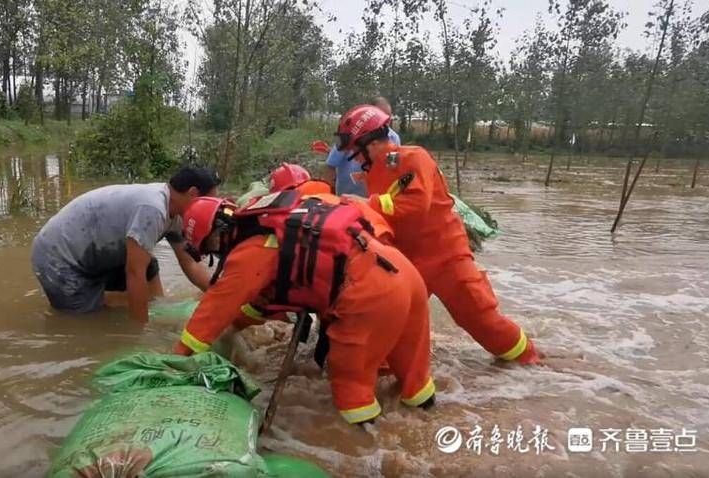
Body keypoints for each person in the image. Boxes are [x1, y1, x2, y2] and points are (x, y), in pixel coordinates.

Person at [172, 194, 434, 425]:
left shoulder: (249, 253)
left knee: (351, 388)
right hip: (401, 270)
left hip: (370, 295)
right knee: (414, 378)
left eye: (212, 249)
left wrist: (177, 357)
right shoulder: (282, 219)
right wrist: (238, 324)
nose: (217, 254)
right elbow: (263, 303)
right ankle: (432, 421)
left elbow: (214, 309)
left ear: (217, 237)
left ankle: (371, 451)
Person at [335, 105, 540, 365]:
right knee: (390, 321)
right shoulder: (374, 170)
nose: (353, 157)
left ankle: (529, 360)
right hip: (409, 260)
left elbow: (416, 205)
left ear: (371, 143)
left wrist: (367, 204)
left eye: (355, 150)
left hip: (446, 255)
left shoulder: (413, 158)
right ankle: (395, 381)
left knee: (478, 318)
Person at [31, 167, 221, 319]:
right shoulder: (153, 209)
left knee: (146, 264)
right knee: (85, 320)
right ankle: (111, 303)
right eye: (210, 203)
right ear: (193, 194)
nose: (211, 211)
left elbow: (190, 262)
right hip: (57, 257)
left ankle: (143, 304)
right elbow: (134, 273)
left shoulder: (179, 213)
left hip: (93, 250)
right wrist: (139, 333)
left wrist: (220, 295)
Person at [323, 96, 401, 196]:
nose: (385, 123)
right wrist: (330, 195)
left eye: (387, 118)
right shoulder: (350, 135)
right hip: (346, 197)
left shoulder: (394, 138)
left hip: (373, 200)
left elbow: (392, 168)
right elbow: (330, 166)